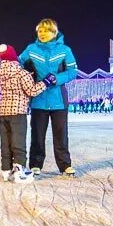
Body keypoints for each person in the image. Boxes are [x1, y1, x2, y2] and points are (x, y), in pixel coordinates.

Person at [20, 18, 79, 176]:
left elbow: (73, 71)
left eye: (46, 30)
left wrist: (57, 78)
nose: (42, 34)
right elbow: (18, 63)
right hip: (38, 100)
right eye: (40, 31)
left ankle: (65, 165)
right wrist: (26, 74)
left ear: (54, 32)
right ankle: (35, 164)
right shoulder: (31, 49)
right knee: (37, 134)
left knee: (61, 134)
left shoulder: (65, 50)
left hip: (59, 100)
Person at [0, 44, 46, 182]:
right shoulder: (21, 73)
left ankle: (6, 170)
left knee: (5, 142)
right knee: (18, 142)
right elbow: (32, 91)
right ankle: (19, 172)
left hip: (3, 112)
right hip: (18, 112)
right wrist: (45, 83)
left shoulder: (1, 74)